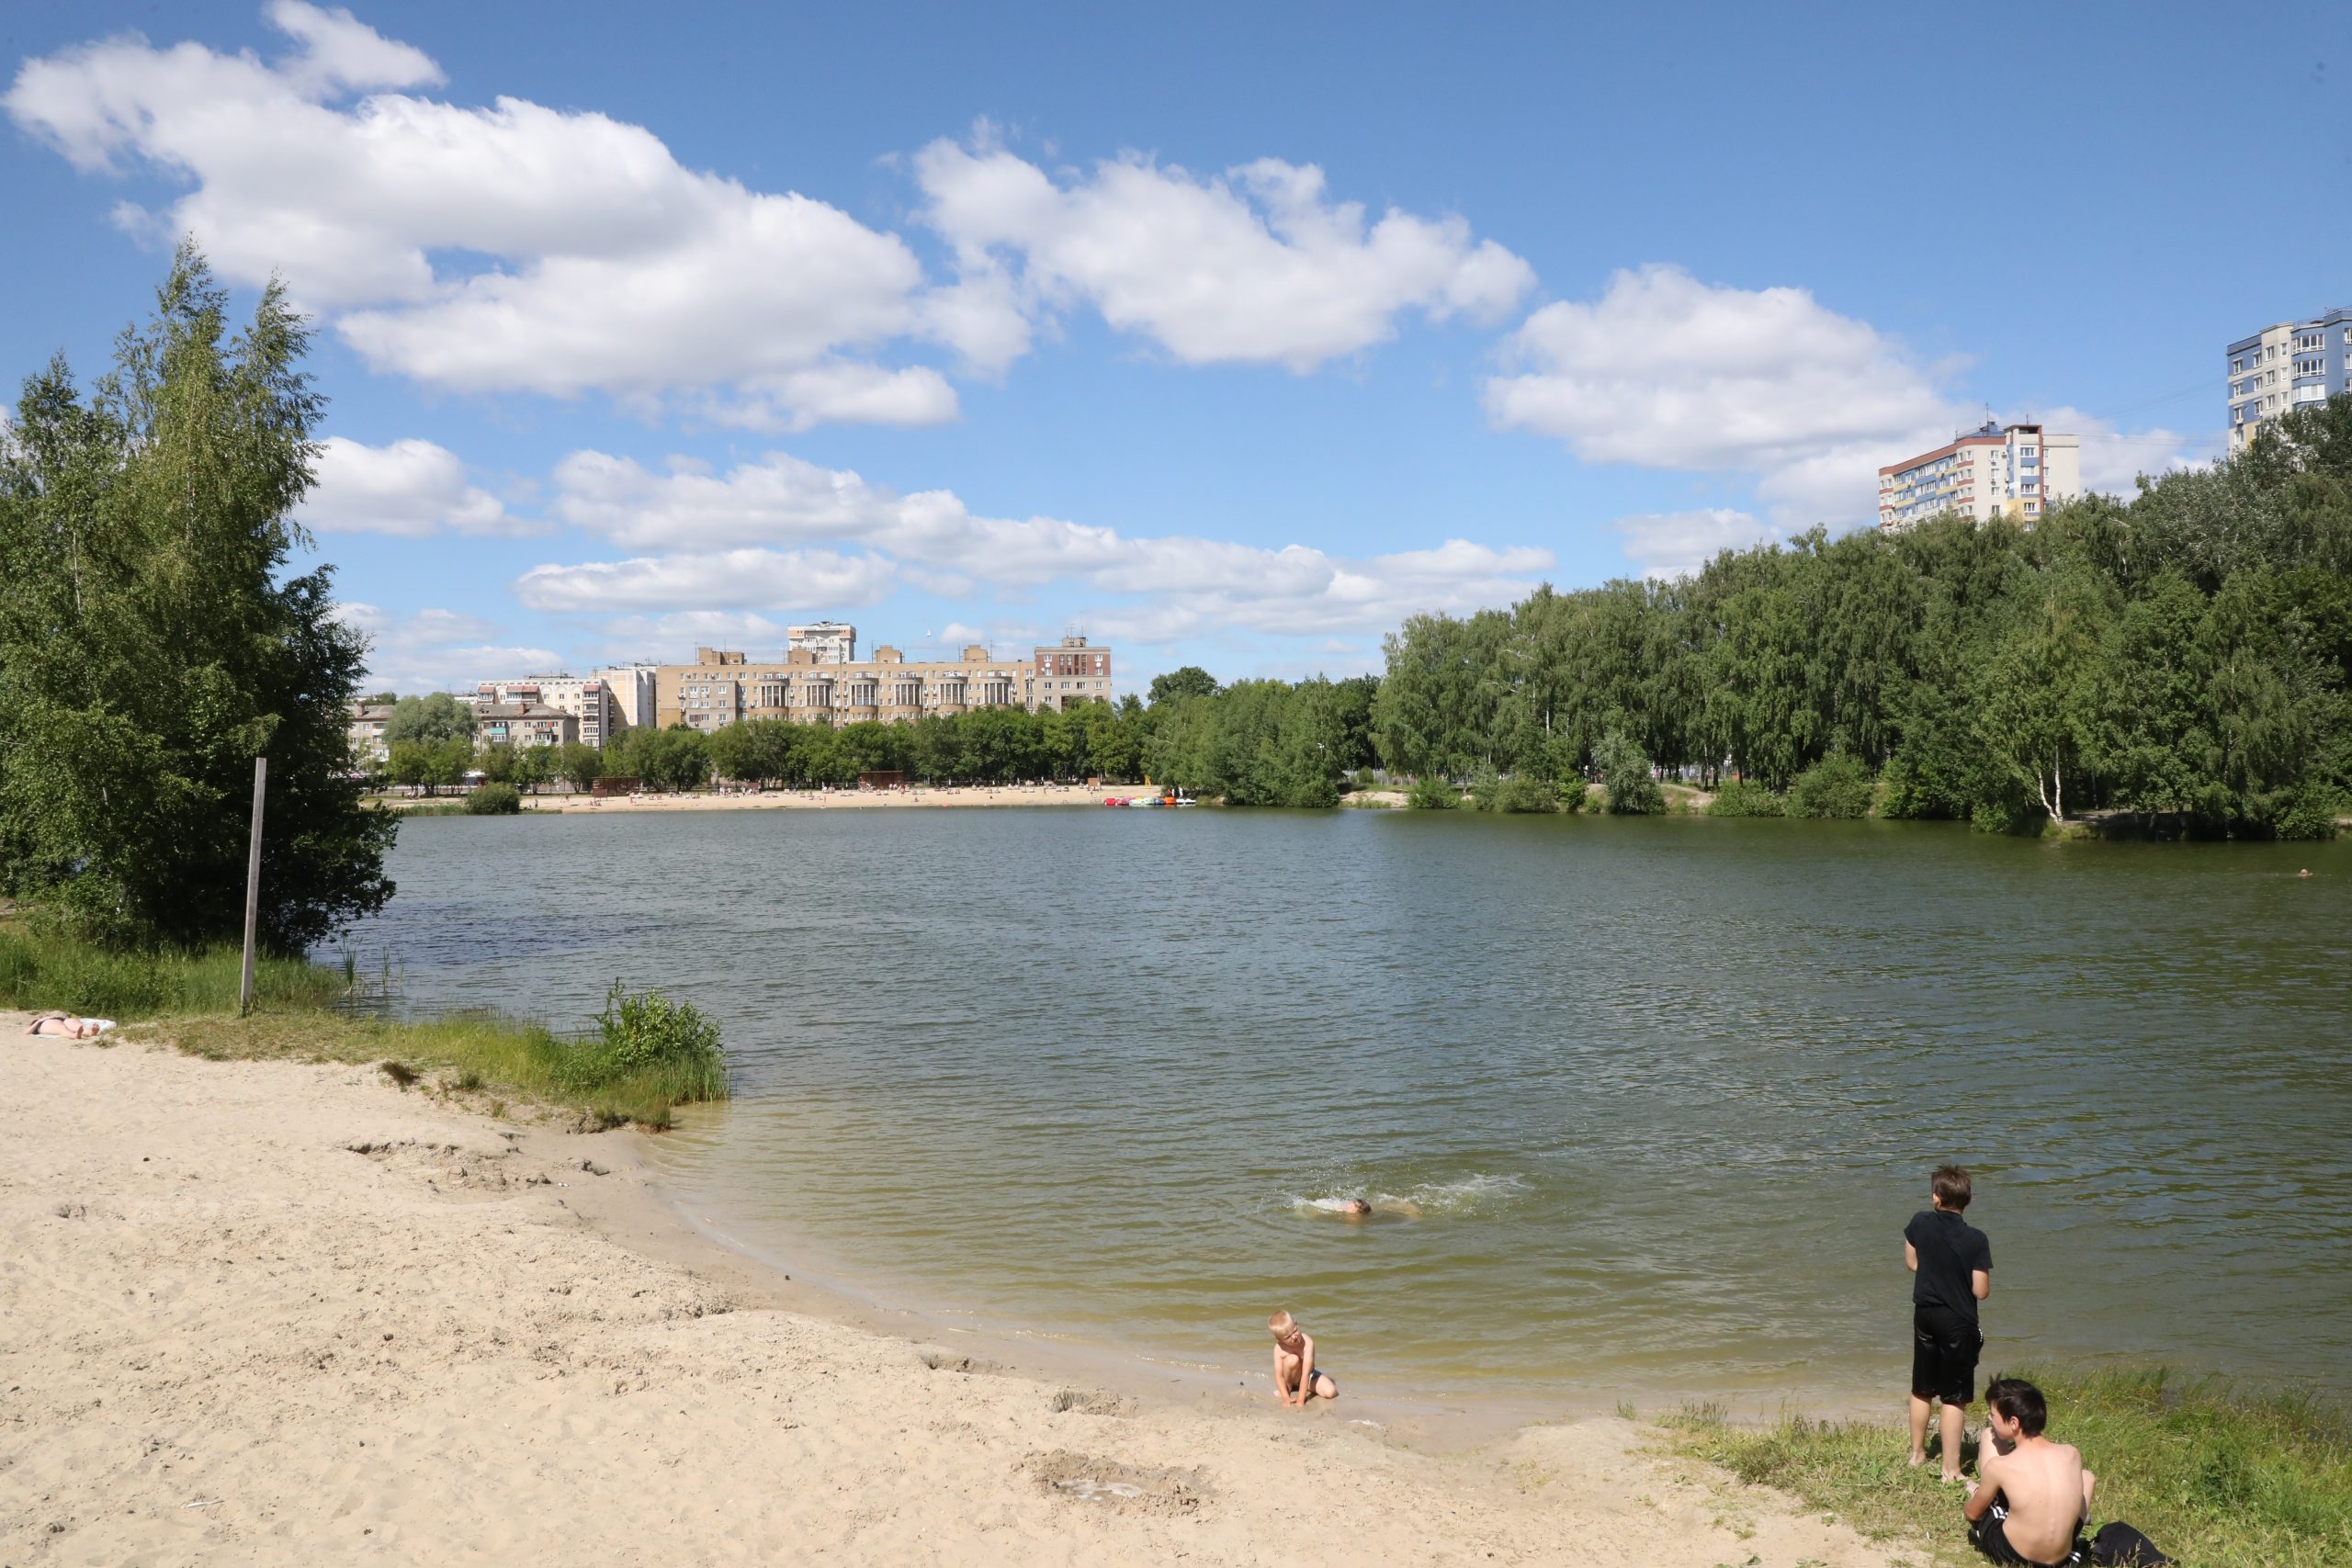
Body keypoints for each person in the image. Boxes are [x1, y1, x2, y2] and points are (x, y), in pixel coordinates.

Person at [1905, 1163, 1993, 1481]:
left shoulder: (1920, 1223)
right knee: (1955, 1395)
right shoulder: (1976, 1239)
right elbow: (1980, 1291)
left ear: (1935, 1198)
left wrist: (1936, 1273)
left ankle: (1916, 1455)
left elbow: (1912, 1262)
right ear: (1968, 1201)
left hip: (1925, 1313)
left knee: (1922, 1388)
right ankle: (1951, 1469)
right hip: (1958, 1320)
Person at [1964, 1377, 2094, 1565]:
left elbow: (1973, 1514)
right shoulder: (2072, 1454)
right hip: (2062, 1558)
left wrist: (1974, 1496)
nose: (1990, 1418)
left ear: (2014, 1422)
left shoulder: (2000, 1466)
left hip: (2016, 1555)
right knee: (2087, 1477)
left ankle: (1978, 1490)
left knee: (1988, 1437)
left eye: (1993, 1415)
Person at [1267, 1310, 1338, 1406]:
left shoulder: (1307, 1343)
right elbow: (1279, 1375)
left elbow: (1306, 1374)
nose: (1294, 1337)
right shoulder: (1278, 1349)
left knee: (1331, 1392)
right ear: (1279, 1339)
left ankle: (1301, 1388)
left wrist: (1301, 1399)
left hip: (1309, 1375)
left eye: (1295, 1330)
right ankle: (1288, 1389)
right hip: (1291, 1378)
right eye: (1288, 1337)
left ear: (1296, 1323)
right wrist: (1285, 1398)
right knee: (1292, 1360)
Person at [21, 1011, 117, 1039]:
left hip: (62, 1019)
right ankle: (75, 1035)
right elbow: (26, 1033)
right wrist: (38, 1022)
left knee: (78, 1026)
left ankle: (91, 1032)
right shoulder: (37, 1024)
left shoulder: (44, 1019)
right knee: (62, 1029)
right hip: (44, 1023)